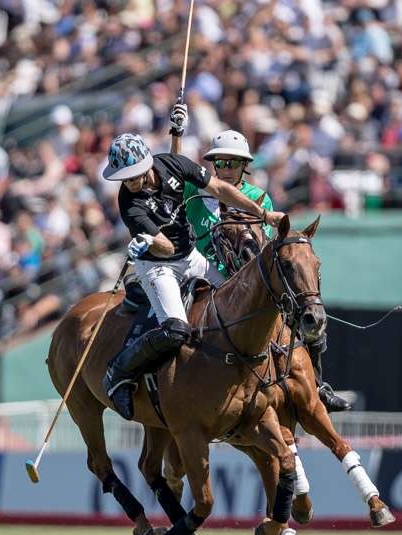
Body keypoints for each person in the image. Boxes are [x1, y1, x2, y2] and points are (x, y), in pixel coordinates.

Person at [101, 104, 286, 420]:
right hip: (158, 265)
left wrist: (264, 214)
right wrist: (149, 240)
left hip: (191, 257)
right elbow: (162, 246)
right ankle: (119, 373)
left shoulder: (172, 165)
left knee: (239, 301)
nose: (128, 182)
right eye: (124, 178)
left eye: (132, 176)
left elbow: (220, 189)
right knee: (175, 331)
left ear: (147, 164)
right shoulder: (129, 202)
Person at [184, 130, 352, 412]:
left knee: (307, 319)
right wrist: (178, 133)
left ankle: (318, 386)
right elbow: (175, 165)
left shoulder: (258, 197)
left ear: (244, 166)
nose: (225, 170)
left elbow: (262, 244)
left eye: (232, 163)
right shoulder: (195, 192)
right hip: (202, 274)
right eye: (220, 163)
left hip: (245, 281)